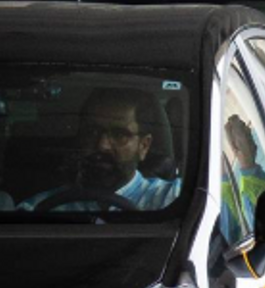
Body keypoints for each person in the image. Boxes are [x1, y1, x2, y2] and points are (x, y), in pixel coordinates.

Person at [23, 87, 181, 212]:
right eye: (92, 132)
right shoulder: (38, 209)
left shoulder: (171, 200)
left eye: (120, 135)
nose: (102, 145)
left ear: (144, 146)